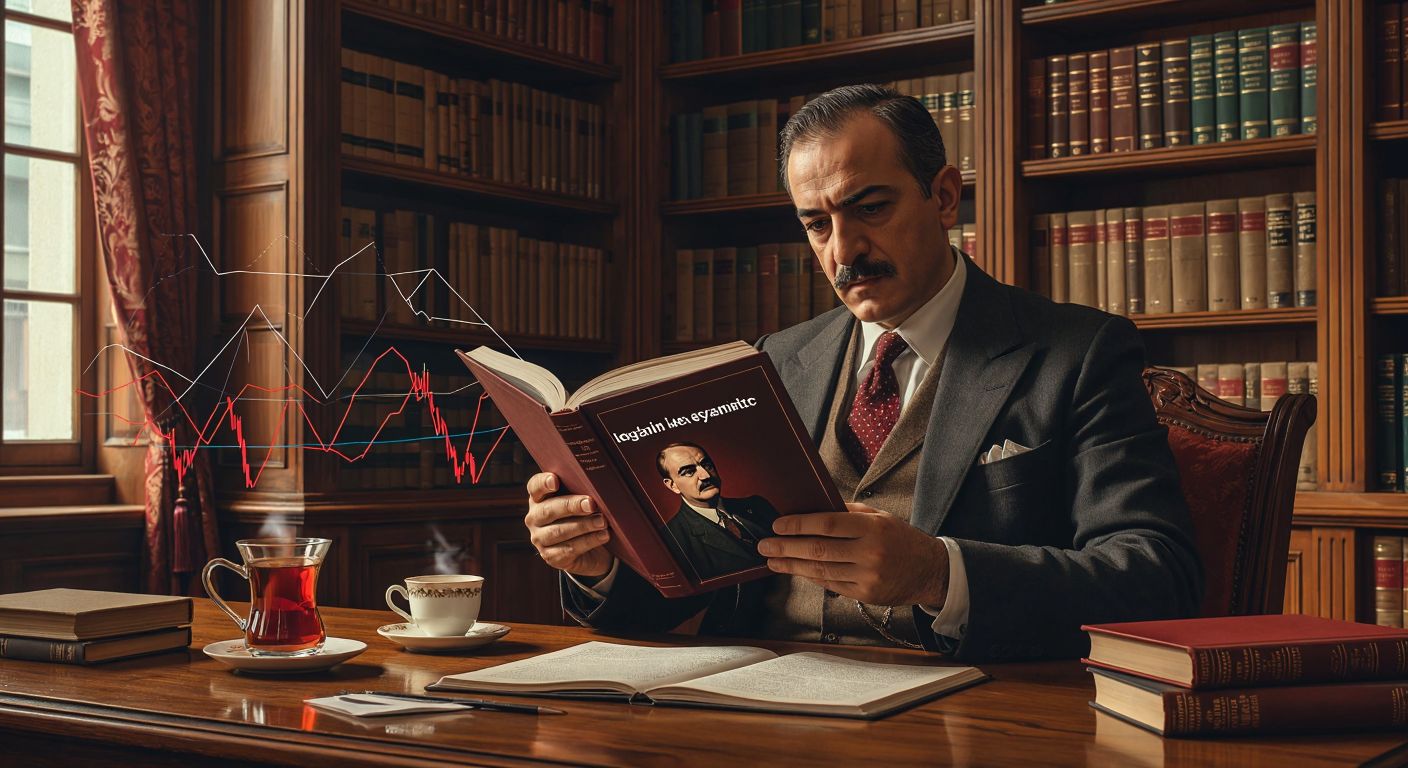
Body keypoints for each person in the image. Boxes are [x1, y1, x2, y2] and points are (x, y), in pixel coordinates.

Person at [521, 84, 1203, 661]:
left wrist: (939, 573)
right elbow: (685, 599)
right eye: (816, 224)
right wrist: (598, 565)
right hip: (759, 704)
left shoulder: (1078, 353)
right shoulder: (776, 361)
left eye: (869, 209)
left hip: (967, 713)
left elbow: (1159, 581)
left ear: (942, 197)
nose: (844, 251)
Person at [655, 442, 779, 581]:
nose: (705, 475)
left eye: (707, 465)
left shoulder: (757, 505)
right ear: (672, 485)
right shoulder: (671, 540)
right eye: (689, 472)